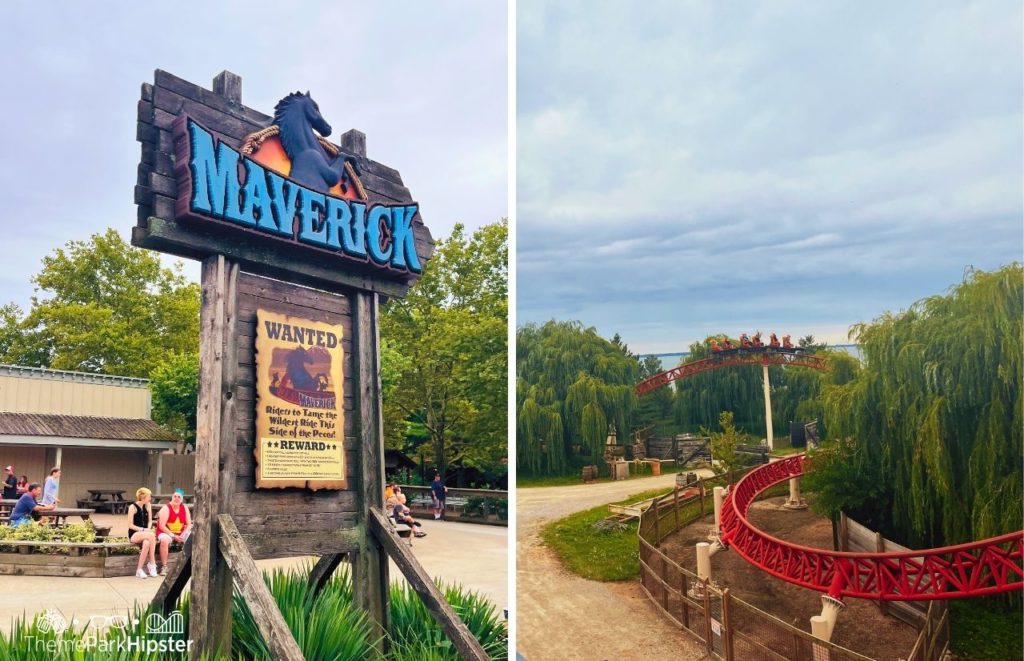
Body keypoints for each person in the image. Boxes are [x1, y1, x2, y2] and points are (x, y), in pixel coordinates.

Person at [155, 488, 192, 576]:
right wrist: (173, 536)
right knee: (164, 540)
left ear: (182, 499)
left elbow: (189, 524)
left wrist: (183, 535)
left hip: (180, 533)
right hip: (166, 532)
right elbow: (161, 526)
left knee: (193, 537)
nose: (176, 498)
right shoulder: (166, 508)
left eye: (179, 497)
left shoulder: (185, 508)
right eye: (175, 496)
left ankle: (190, 564)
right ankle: (164, 566)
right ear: (172, 497)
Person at [127, 487, 158, 579]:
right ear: (143, 497)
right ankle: (152, 563)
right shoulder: (132, 507)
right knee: (152, 535)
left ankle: (139, 570)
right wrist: (143, 530)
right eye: (149, 496)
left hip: (146, 534)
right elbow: (130, 525)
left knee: (147, 543)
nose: (150, 498)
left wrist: (148, 528)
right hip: (134, 534)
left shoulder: (148, 505)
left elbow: (150, 521)